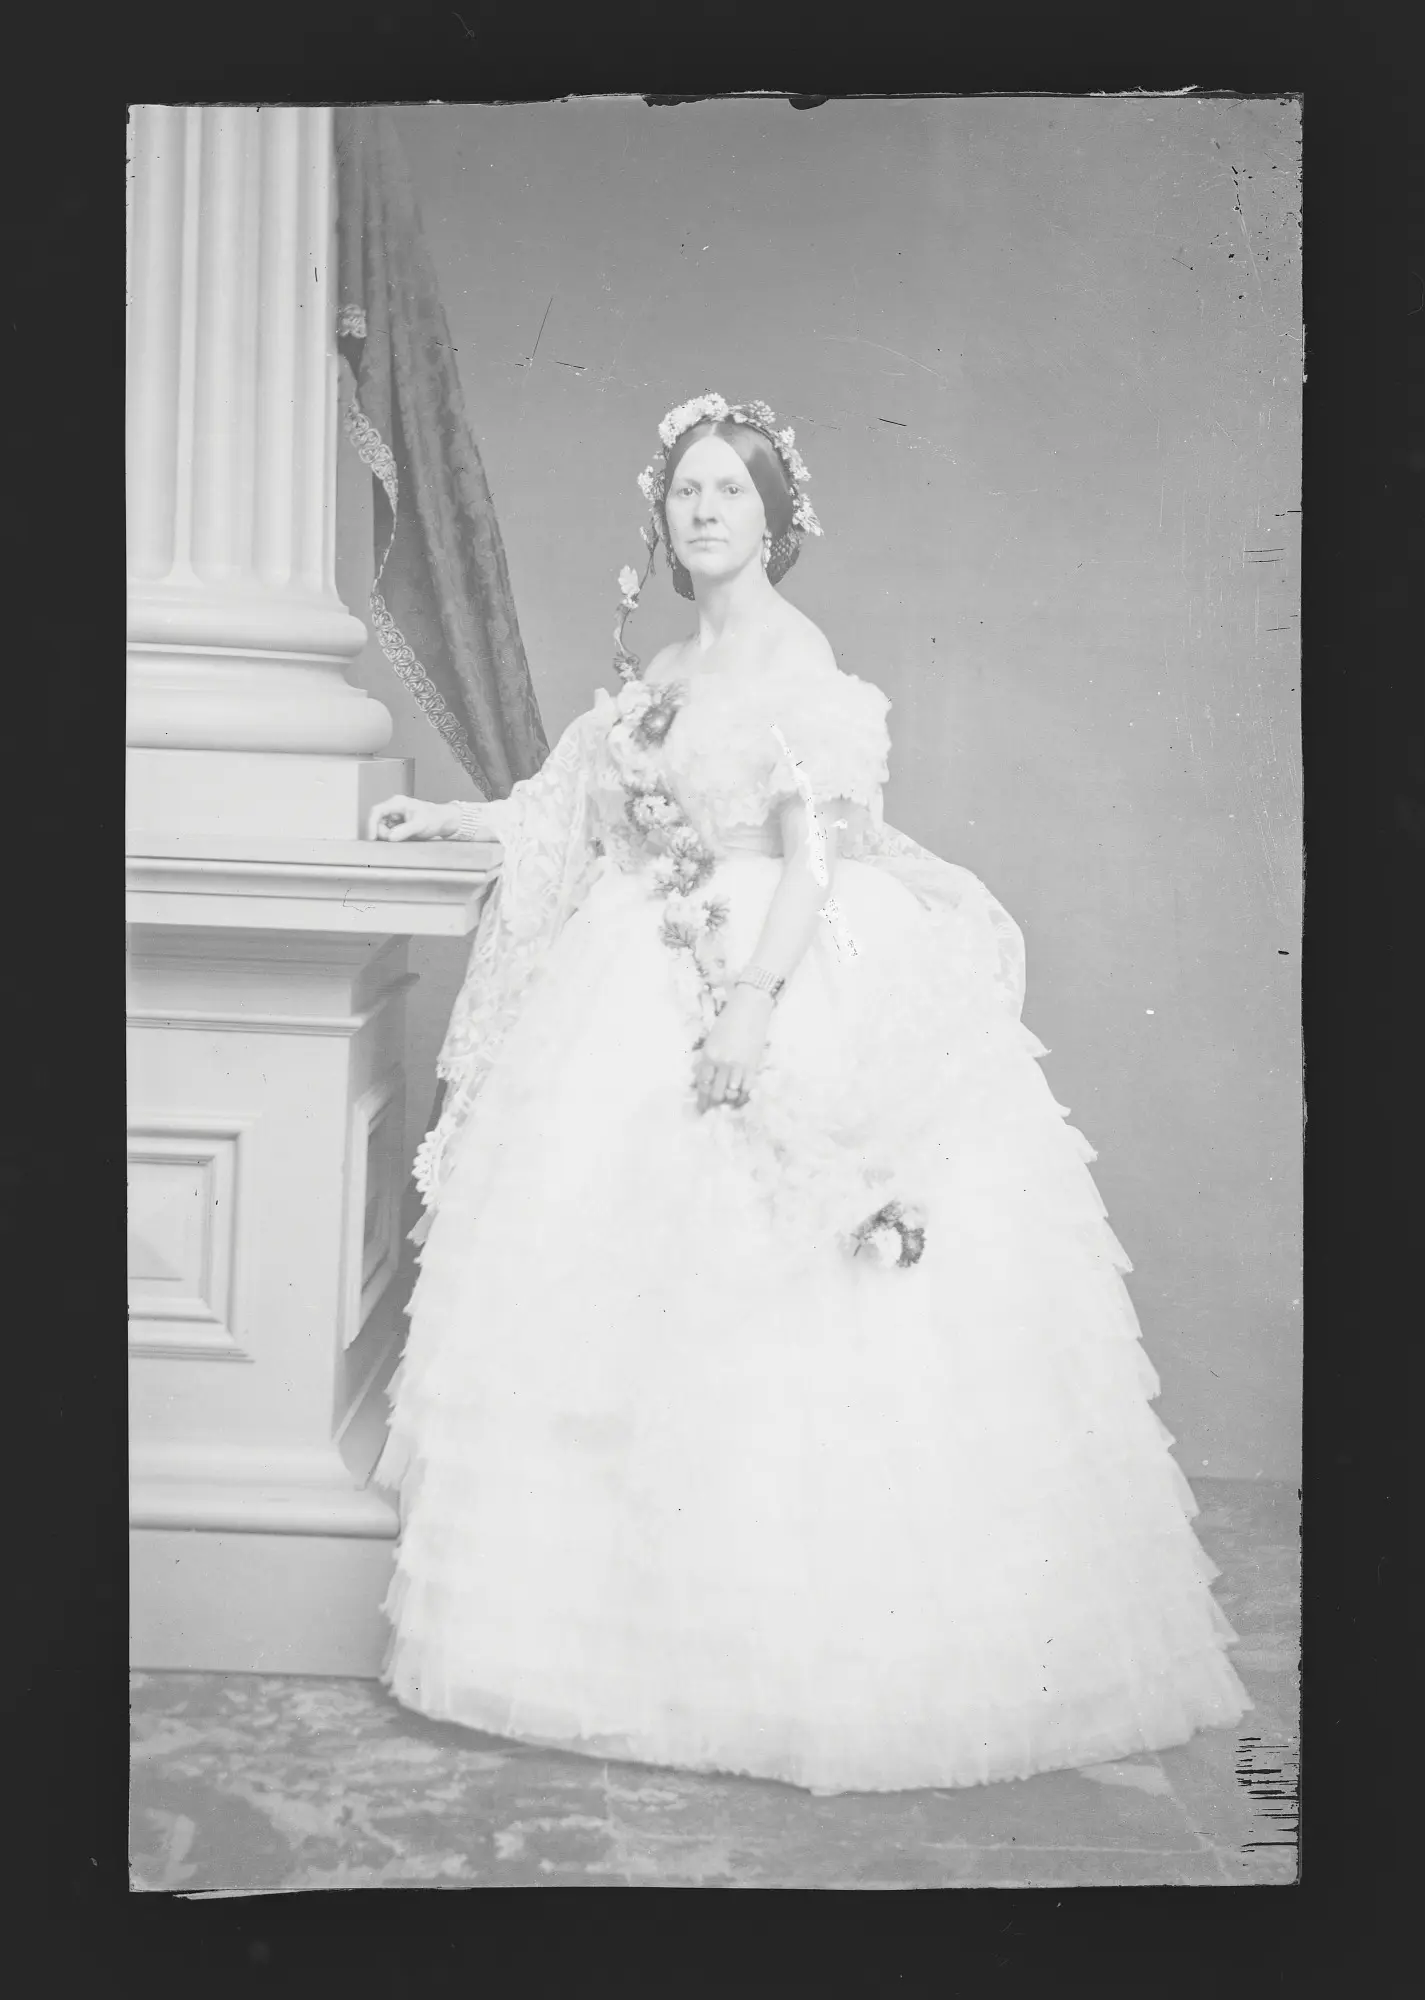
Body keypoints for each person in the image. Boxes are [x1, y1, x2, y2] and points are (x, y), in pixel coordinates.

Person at [366, 392, 1250, 1795]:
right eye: (686, 492)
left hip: (773, 963)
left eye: (730, 491)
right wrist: (451, 818)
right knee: (620, 1285)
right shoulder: (665, 663)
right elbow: (576, 807)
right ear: (662, 519)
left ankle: (812, 1657)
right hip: (637, 969)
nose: (704, 511)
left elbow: (819, 856)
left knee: (794, 1299)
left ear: (775, 521)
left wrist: (756, 1005)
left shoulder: (800, 661)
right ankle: (626, 1645)